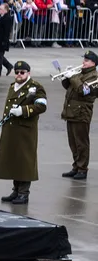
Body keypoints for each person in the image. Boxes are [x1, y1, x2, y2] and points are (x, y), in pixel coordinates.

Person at [0, 60, 47, 205]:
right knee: (14, 161)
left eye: (22, 72)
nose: (19, 75)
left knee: (24, 162)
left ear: (28, 73)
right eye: (16, 72)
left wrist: (22, 111)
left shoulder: (35, 87)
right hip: (12, 129)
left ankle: (23, 193)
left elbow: (41, 106)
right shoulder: (13, 86)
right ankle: (16, 190)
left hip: (25, 130)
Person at [60, 51, 97, 180]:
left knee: (81, 143)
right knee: (73, 143)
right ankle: (76, 166)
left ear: (93, 63)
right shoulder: (81, 73)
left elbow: (83, 90)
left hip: (82, 113)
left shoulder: (94, 77)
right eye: (84, 60)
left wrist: (73, 77)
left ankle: (82, 169)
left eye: (86, 60)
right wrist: (66, 77)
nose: (83, 62)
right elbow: (69, 87)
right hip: (71, 112)